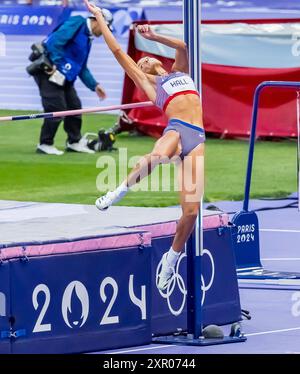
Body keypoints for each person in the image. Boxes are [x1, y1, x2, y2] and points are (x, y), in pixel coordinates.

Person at [84, 0, 205, 291]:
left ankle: (172, 258)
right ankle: (119, 190)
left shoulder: (179, 72)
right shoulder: (152, 85)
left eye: (145, 59)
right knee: (160, 154)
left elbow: (183, 46)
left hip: (197, 137)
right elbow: (117, 52)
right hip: (177, 129)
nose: (143, 61)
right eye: (140, 62)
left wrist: (153, 37)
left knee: (191, 213)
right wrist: (100, 17)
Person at [32, 10, 113, 155]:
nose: (106, 32)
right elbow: (55, 41)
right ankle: (45, 143)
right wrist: (54, 63)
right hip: (49, 71)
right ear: (97, 21)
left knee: (75, 107)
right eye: (106, 27)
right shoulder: (78, 22)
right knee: (56, 108)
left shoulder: (88, 39)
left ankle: (74, 142)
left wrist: (94, 85)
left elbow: (81, 67)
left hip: (64, 77)